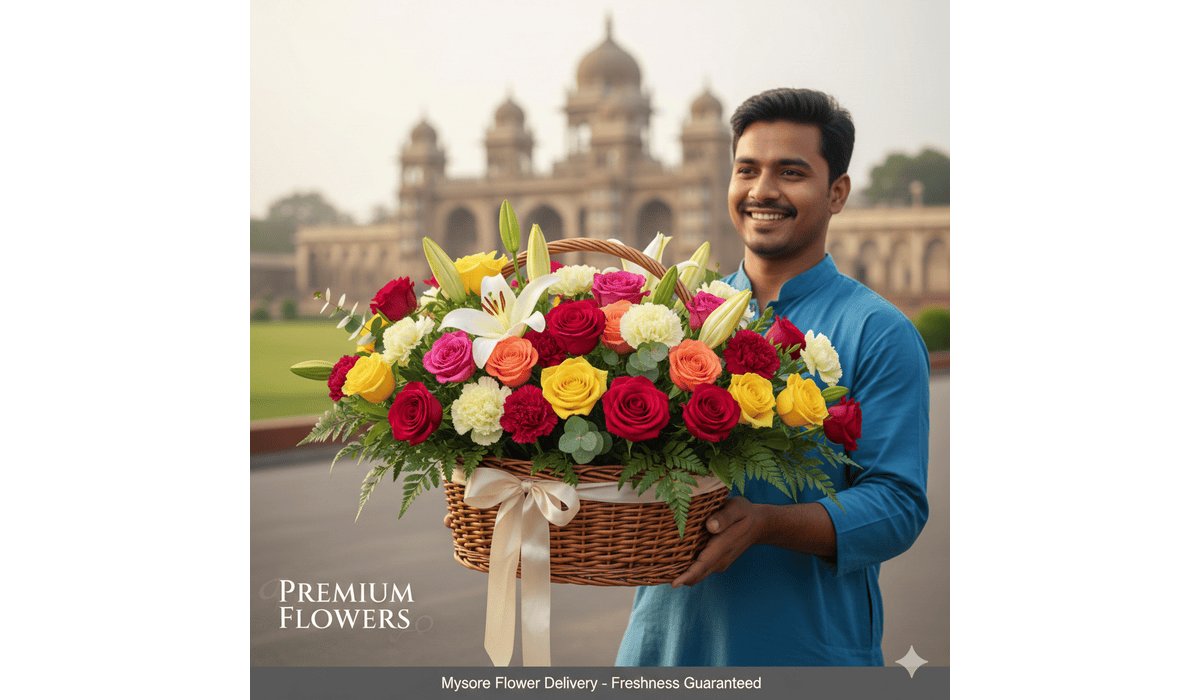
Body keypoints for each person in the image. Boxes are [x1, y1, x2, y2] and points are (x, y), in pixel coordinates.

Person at [615, 88, 930, 666]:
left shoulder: (877, 331)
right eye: (747, 170)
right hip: (661, 649)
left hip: (802, 650)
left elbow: (898, 504)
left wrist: (766, 523)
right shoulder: (679, 315)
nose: (762, 191)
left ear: (837, 192)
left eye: (791, 172)